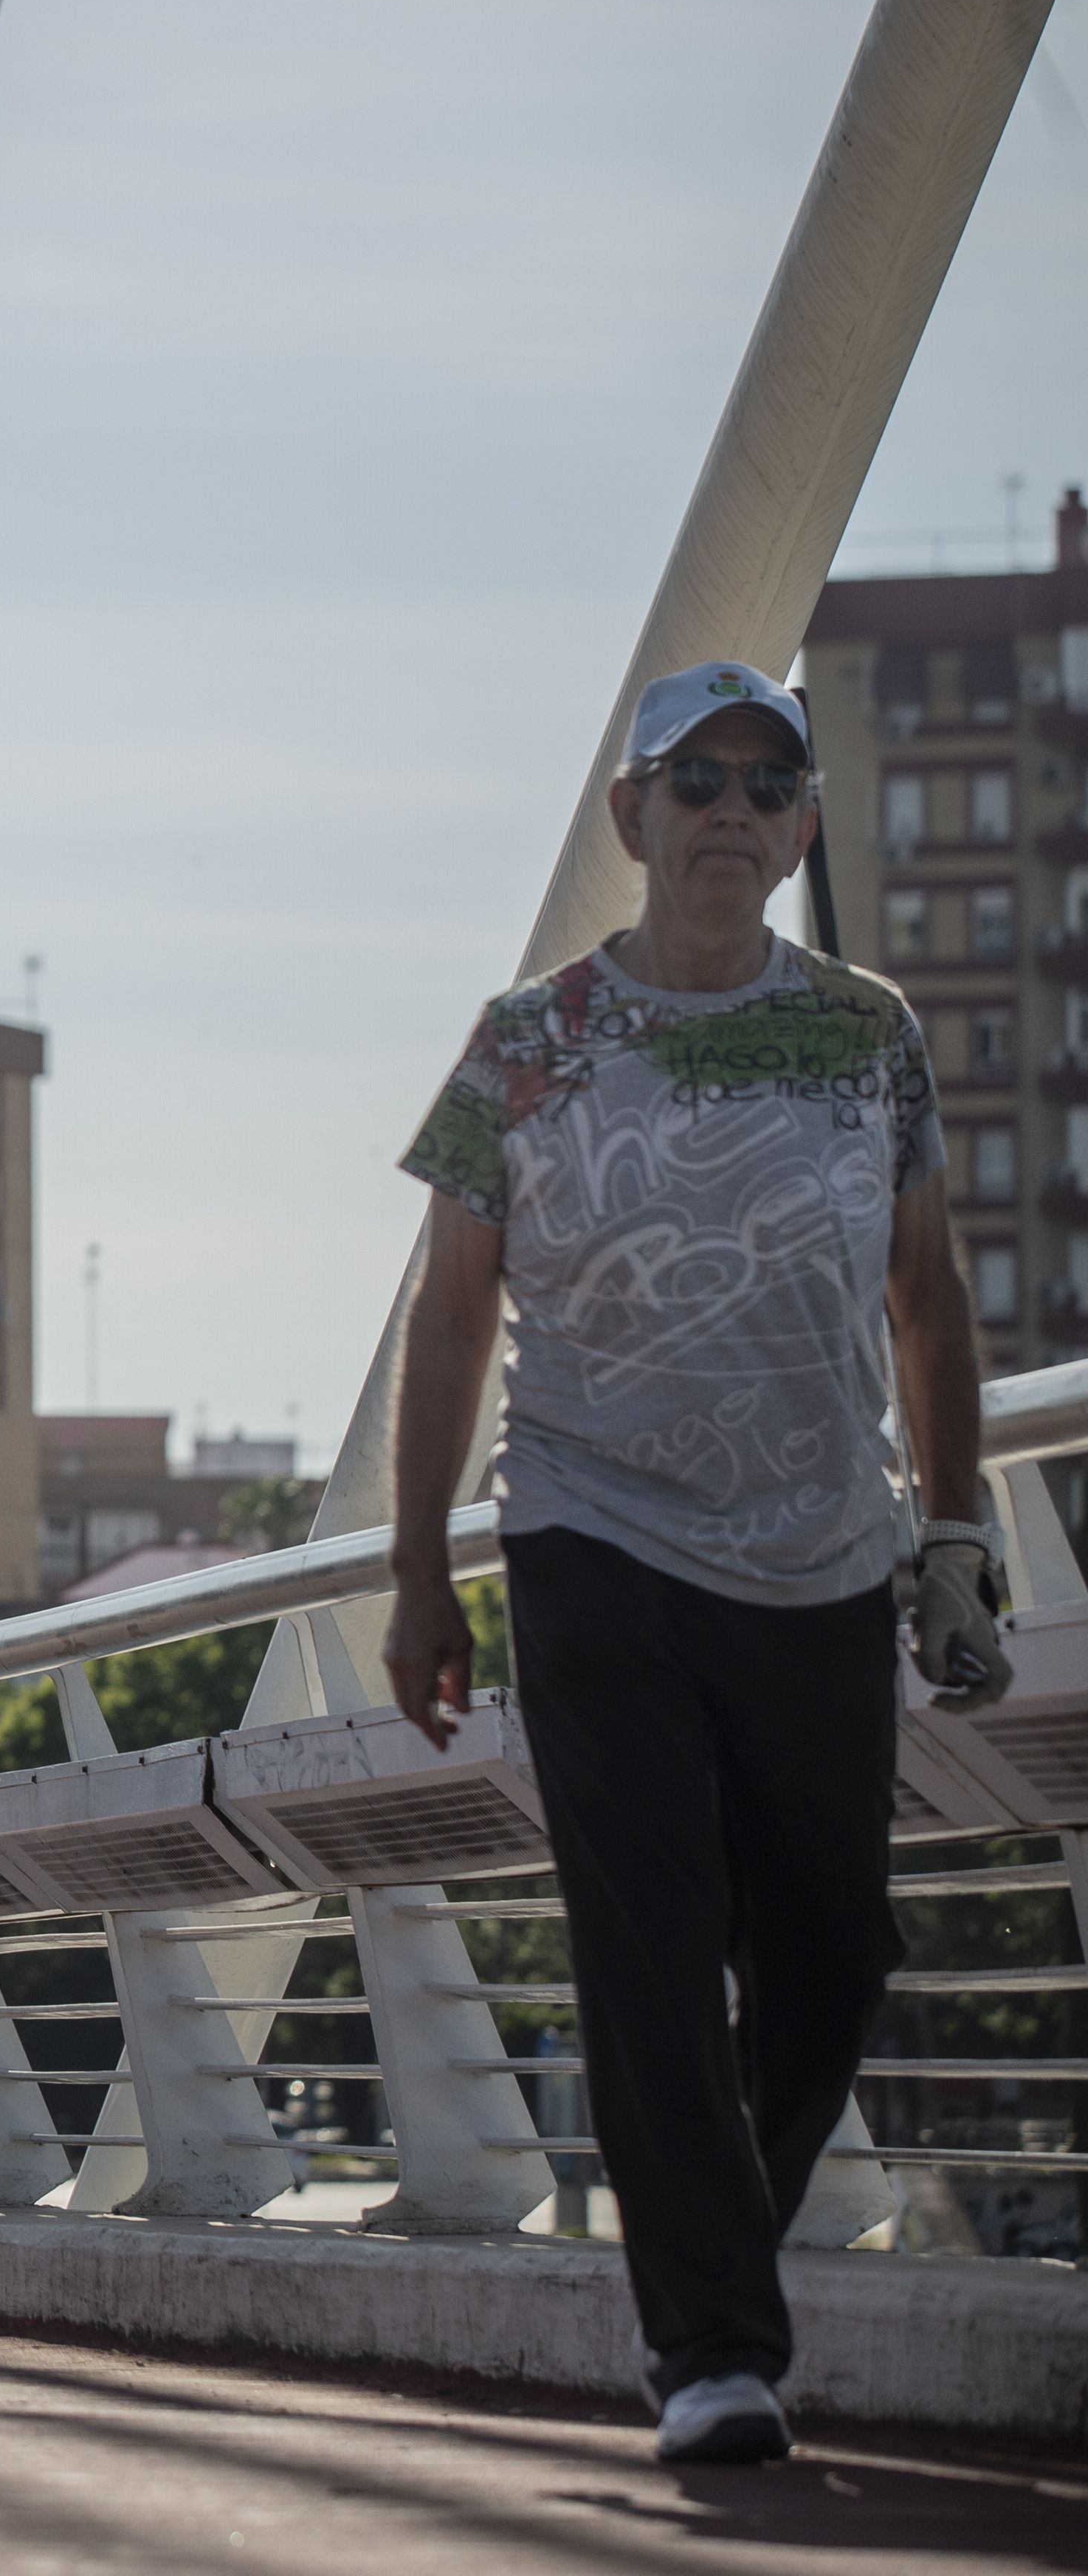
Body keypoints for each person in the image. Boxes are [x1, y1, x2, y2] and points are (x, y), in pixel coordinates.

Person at [384, 659, 1008, 2471]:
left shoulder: (868, 1032)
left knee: (833, 1948)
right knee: (646, 1937)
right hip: (593, 1535)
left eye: (764, 783)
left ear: (799, 827)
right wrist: (419, 1573)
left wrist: (954, 1532)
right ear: (629, 816)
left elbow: (926, 1294)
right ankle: (713, 2349)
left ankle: (705, 2231)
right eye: (695, 779)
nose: (729, 808)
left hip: (820, 1554)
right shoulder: (529, 1040)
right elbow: (449, 1318)